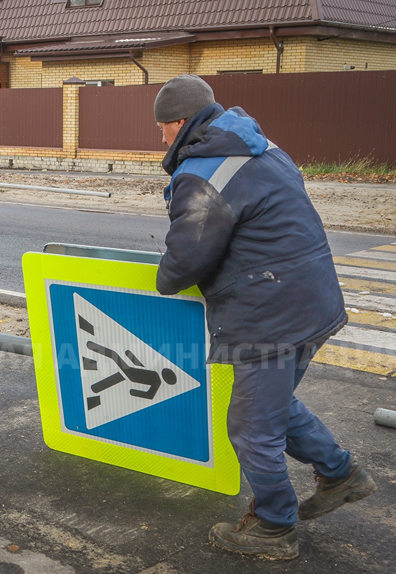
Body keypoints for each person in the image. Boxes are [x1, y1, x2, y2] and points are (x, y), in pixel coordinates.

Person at [152, 75, 376, 560]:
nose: (161, 138)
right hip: (310, 300)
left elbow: (186, 258)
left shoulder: (204, 171)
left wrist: (162, 280)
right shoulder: (262, 146)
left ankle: (275, 527)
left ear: (178, 122)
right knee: (273, 407)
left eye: (162, 128)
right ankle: (340, 474)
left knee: (252, 428)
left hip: (269, 314)